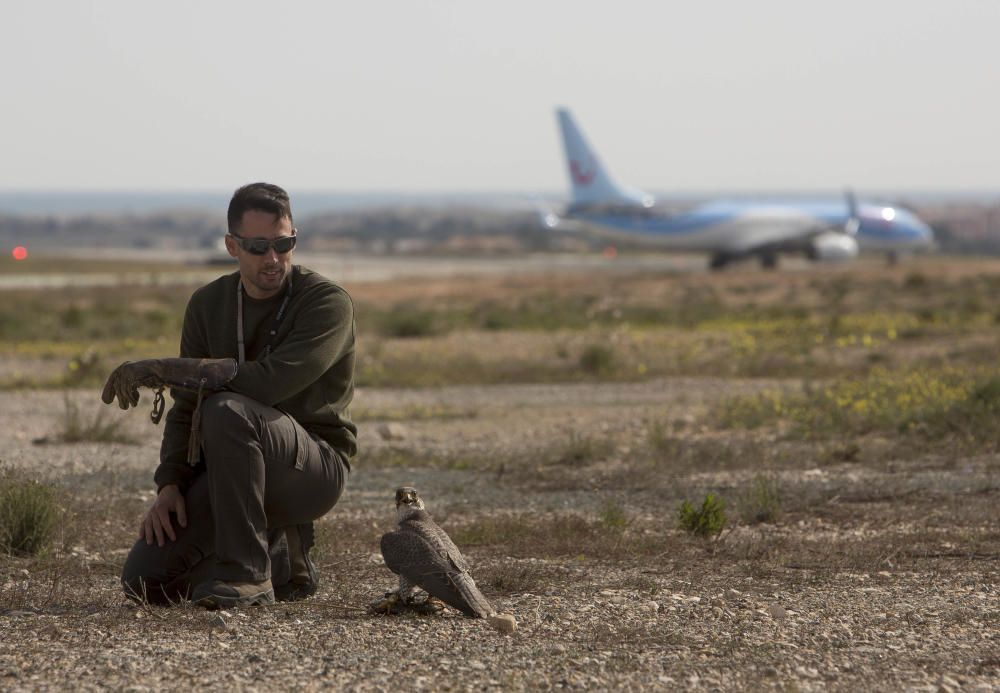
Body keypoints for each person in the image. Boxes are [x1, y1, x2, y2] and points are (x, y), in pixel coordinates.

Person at [102, 182, 356, 608]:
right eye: (258, 247)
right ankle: (275, 561)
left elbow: (271, 383)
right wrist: (170, 484)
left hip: (310, 468)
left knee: (225, 409)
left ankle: (247, 576)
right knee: (144, 583)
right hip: (230, 467)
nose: (273, 259)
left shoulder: (327, 303)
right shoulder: (207, 304)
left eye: (284, 243)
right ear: (231, 245)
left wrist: (169, 370)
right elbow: (186, 409)